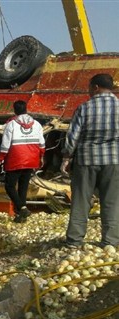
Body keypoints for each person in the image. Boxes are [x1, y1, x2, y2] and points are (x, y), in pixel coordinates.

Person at [62, 73, 119, 247]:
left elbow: (73, 137)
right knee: (112, 201)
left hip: (86, 160)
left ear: (95, 87)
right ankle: (110, 241)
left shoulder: (84, 108)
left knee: (80, 200)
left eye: (89, 88)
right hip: (114, 161)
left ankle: (74, 241)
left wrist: (66, 157)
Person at [0, 100, 45, 223]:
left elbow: (5, 144)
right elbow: (42, 144)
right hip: (31, 158)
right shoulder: (37, 124)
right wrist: (41, 157)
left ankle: (22, 208)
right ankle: (21, 215)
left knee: (9, 186)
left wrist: (0, 159)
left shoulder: (11, 124)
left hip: (15, 159)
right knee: (23, 187)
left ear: (14, 110)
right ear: (26, 109)